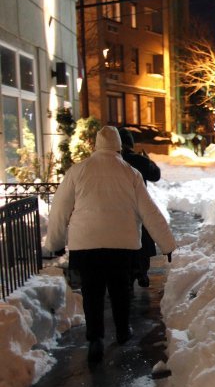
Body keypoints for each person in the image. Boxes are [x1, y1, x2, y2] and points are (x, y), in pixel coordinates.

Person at [46, 126, 176, 365]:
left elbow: (59, 210)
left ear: (96, 144)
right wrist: (167, 245)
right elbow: (150, 212)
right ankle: (123, 330)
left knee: (91, 292)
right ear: (118, 145)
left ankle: (95, 338)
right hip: (121, 245)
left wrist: (54, 242)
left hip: (85, 245)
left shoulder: (78, 171)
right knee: (120, 289)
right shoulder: (131, 173)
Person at [117, 127, 161, 288]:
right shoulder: (138, 160)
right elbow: (155, 175)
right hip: (137, 207)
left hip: (116, 208)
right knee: (143, 238)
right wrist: (148, 161)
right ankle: (142, 271)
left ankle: (126, 273)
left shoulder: (110, 162)